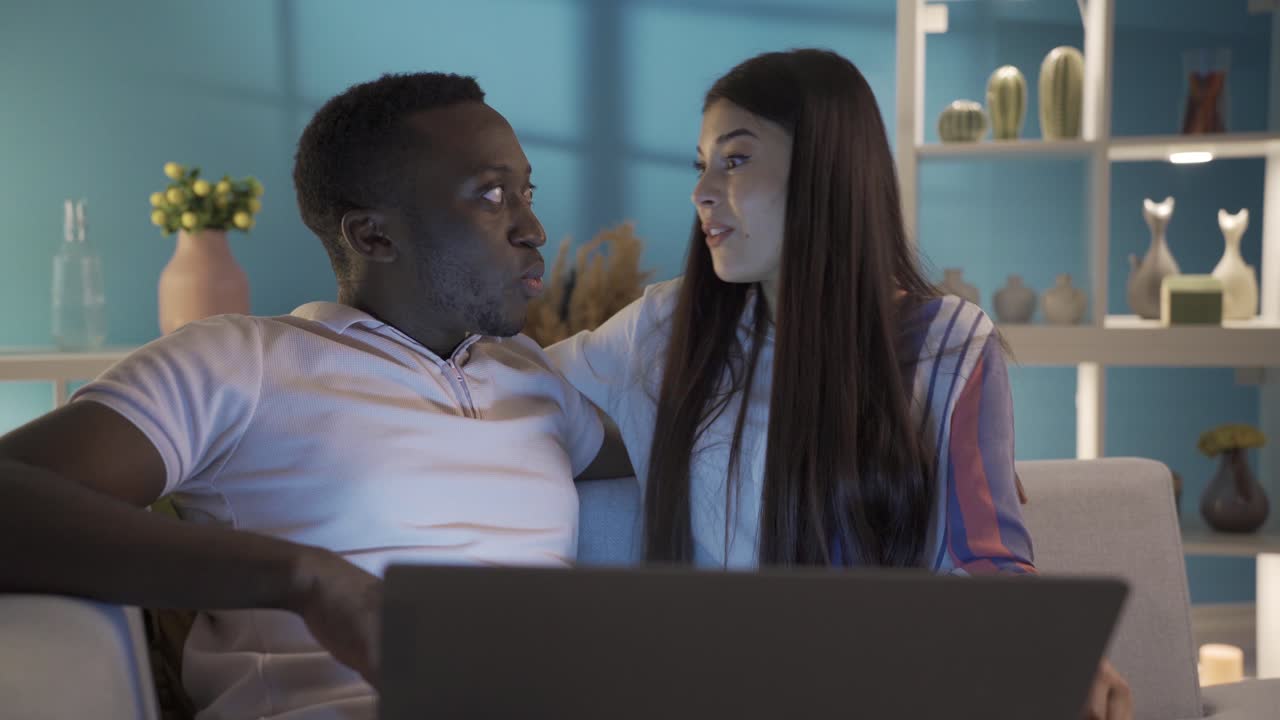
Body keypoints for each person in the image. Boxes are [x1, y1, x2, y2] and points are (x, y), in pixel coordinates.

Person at [0, 72, 623, 720]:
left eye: (527, 192)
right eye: (491, 196)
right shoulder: (243, 362)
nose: (534, 228)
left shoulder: (533, 377)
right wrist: (303, 578)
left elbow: (692, 450)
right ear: (373, 236)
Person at [548, 49, 1133, 720]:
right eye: (701, 163)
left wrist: (1052, 650)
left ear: (826, 169)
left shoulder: (948, 341)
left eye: (735, 160)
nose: (702, 191)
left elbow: (985, 560)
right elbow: (515, 394)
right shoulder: (666, 326)